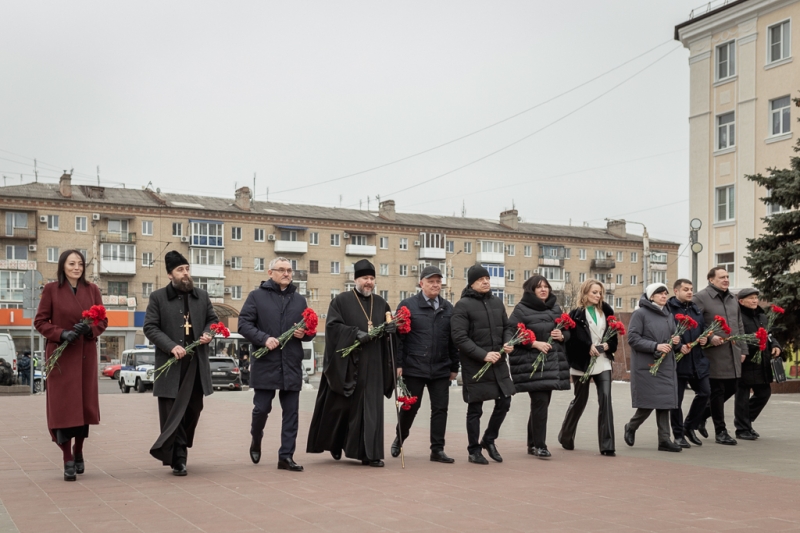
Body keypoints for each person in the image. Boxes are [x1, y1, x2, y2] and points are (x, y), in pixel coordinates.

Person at [306, 259, 395, 467]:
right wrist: (355, 334)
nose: (369, 282)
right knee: (342, 409)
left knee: (371, 410)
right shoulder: (341, 301)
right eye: (365, 278)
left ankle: (370, 453)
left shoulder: (381, 303)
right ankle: (336, 443)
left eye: (372, 278)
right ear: (355, 279)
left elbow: (388, 331)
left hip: (374, 365)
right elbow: (332, 327)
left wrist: (392, 331)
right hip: (347, 365)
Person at [34, 249, 108, 481]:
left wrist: (90, 329)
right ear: (62, 266)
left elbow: (103, 320)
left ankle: (79, 451)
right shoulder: (51, 289)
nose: (77, 268)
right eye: (71, 264)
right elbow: (40, 322)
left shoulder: (92, 289)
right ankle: (67, 457)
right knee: (63, 408)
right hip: (61, 358)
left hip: (85, 356)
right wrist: (61, 333)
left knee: (83, 407)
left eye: (80, 264)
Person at [143, 251, 218, 476]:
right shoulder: (158, 297)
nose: (185, 273)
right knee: (173, 413)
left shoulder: (201, 296)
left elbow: (213, 320)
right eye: (180, 270)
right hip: (171, 365)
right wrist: (171, 346)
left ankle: (181, 447)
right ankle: (179, 457)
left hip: (195, 364)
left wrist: (208, 333)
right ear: (170, 275)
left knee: (193, 409)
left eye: (187, 269)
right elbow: (150, 327)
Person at [238, 257, 315, 472]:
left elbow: (310, 330)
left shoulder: (299, 300)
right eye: (281, 269)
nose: (286, 273)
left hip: (291, 364)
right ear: (270, 272)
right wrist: (264, 338)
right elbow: (243, 324)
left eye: (289, 270)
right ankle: (256, 438)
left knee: (291, 413)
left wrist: (304, 333)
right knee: (261, 409)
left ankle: (286, 456)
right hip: (266, 363)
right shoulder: (256, 296)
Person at [392, 265, 459, 464]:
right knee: (410, 407)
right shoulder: (407, 306)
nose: (435, 285)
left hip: (441, 368)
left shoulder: (448, 308)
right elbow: (399, 338)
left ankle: (437, 449)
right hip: (414, 367)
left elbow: (453, 340)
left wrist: (454, 366)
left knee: (440, 409)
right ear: (421, 283)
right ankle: (400, 437)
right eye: (431, 281)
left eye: (438, 281)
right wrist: (398, 363)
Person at [450, 264, 515, 465]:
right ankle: (473, 450)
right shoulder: (463, 305)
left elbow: (507, 327)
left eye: (487, 278)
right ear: (471, 283)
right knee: (475, 409)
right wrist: (483, 355)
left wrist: (508, 342)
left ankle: (489, 439)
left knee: (505, 401)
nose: (486, 281)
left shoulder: (497, 302)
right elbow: (459, 337)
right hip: (476, 365)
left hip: (498, 363)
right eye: (481, 279)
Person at [508, 275, 570, 459]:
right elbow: (511, 333)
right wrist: (534, 343)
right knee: (540, 403)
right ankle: (540, 445)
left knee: (540, 404)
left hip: (550, 364)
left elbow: (567, 332)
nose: (543, 290)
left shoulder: (555, 307)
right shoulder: (521, 309)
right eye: (539, 287)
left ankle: (532, 443)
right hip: (532, 364)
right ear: (531, 290)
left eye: (546, 286)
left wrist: (562, 336)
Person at [558, 280, 619, 456]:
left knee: (606, 399)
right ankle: (566, 435)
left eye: (600, 292)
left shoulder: (607, 311)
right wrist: (587, 347)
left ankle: (607, 445)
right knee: (580, 400)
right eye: (594, 292)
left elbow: (614, 340)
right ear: (585, 293)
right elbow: (571, 342)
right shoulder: (575, 314)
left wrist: (606, 346)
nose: (598, 296)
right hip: (581, 363)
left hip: (603, 361)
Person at [624, 283, 682, 452]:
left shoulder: (668, 314)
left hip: (666, 365)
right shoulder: (640, 314)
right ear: (651, 297)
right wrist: (655, 346)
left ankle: (664, 440)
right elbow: (633, 339)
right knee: (648, 403)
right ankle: (631, 426)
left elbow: (673, 340)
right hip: (647, 366)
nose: (664, 296)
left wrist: (676, 341)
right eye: (660, 293)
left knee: (665, 402)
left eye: (665, 293)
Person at [694, 267, 746, 446]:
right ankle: (721, 431)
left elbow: (739, 325)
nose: (726, 279)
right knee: (717, 391)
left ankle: (700, 416)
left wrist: (743, 349)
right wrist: (709, 336)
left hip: (733, 352)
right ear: (711, 280)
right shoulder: (701, 297)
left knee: (732, 387)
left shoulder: (732, 298)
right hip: (713, 353)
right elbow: (694, 323)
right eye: (722, 277)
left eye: (727, 276)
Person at [733, 288, 781, 440]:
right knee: (742, 397)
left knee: (764, 393)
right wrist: (753, 342)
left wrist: (775, 345)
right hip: (745, 361)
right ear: (741, 301)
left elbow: (769, 334)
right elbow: (737, 338)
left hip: (761, 362)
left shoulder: (761, 315)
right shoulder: (737, 316)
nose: (754, 300)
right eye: (751, 298)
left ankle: (746, 422)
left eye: (755, 297)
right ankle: (742, 429)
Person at [666, 279, 710, 448]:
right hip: (679, 361)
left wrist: (705, 339)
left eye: (691, 289)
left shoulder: (695, 309)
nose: (690, 292)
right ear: (676, 291)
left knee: (705, 393)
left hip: (697, 360)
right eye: (686, 289)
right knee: (676, 401)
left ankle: (689, 426)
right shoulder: (669, 310)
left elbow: (702, 328)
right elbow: (665, 333)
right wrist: (678, 347)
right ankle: (678, 435)